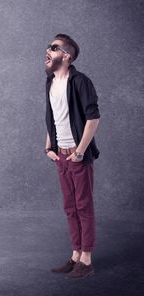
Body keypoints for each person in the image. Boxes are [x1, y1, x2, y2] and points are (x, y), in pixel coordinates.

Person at [44, 33, 100, 279]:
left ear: (66, 56)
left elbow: (93, 118)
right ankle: (75, 254)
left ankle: (86, 259)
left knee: (83, 207)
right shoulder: (50, 82)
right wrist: (49, 148)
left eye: (53, 47)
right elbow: (52, 118)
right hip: (61, 157)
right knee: (70, 207)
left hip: (77, 158)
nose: (47, 50)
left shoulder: (80, 81)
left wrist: (79, 152)